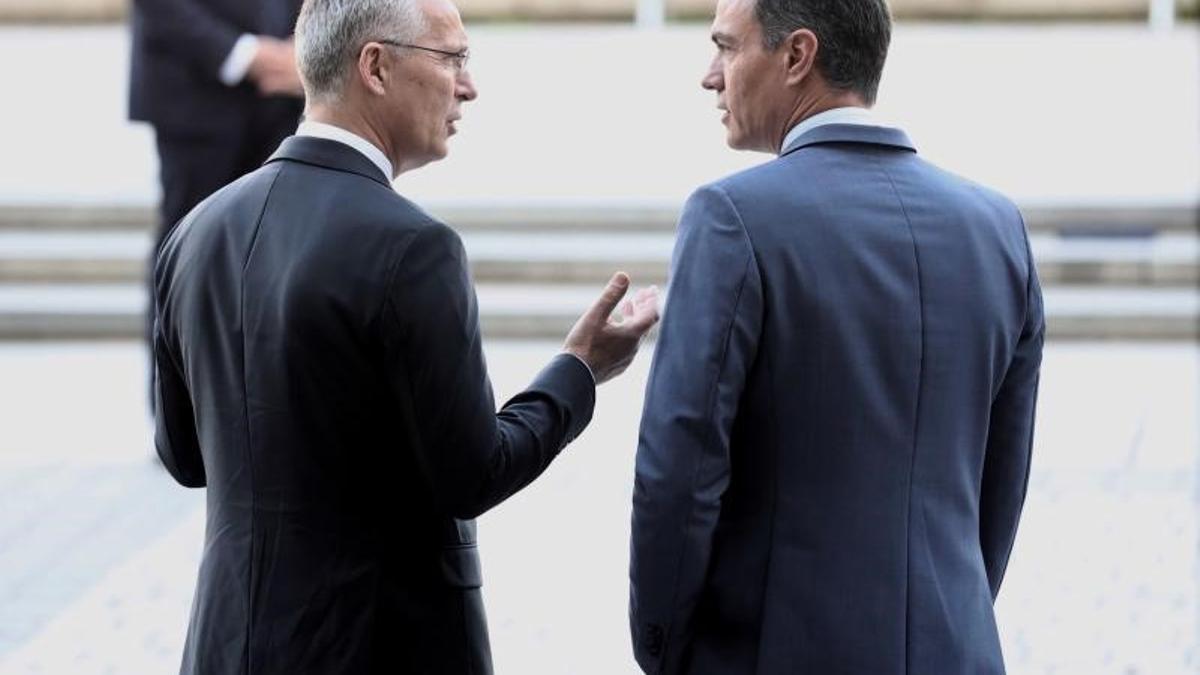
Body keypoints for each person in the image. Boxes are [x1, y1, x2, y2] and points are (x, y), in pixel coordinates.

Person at [152, 0, 659, 671]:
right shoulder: (413, 247)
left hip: (225, 643)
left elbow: (184, 457)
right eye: (454, 58)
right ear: (376, 67)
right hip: (379, 642)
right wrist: (579, 369)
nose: (469, 85)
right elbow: (473, 473)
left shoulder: (196, 233)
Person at [629, 0, 1044, 672]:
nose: (711, 75)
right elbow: (1002, 480)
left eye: (727, 48)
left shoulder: (732, 218)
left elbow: (678, 469)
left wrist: (665, 647)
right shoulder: (997, 227)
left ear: (797, 55)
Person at [130, 0, 306, 401]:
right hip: (192, 89)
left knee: (278, 257)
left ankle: (268, 405)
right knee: (190, 252)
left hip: (288, 94)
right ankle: (178, 407)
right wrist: (245, 55)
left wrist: (311, 47)